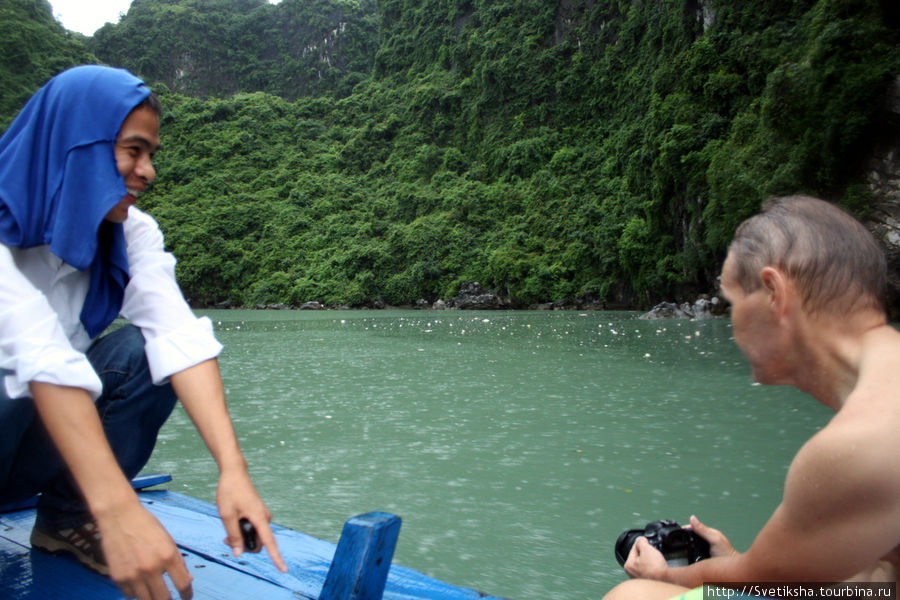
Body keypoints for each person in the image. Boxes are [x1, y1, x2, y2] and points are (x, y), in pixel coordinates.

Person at [0, 65, 287, 600]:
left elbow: (179, 336)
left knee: (142, 353)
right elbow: (37, 352)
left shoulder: (131, 232)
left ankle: (67, 518)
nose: (148, 171)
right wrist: (121, 508)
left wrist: (233, 470)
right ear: (77, 145)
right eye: (133, 151)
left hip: (27, 452)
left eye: (150, 154)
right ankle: (99, 508)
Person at [603, 195, 900, 600]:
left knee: (631, 598)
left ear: (774, 292)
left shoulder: (855, 444)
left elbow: (762, 577)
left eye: (733, 303)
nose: (731, 324)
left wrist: (663, 576)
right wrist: (739, 563)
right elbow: (779, 578)